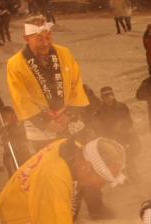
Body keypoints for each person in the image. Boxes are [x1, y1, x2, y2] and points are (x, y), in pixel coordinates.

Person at [6, 15, 90, 149]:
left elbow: (76, 84)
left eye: (48, 38)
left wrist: (69, 113)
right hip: (41, 129)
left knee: (80, 162)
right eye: (39, 39)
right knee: (51, 166)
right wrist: (44, 121)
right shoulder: (15, 64)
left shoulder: (64, 53)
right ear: (26, 39)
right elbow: (20, 98)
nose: (45, 44)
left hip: (70, 120)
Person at [92, 87, 141, 181]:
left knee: (128, 156)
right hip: (112, 138)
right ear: (102, 98)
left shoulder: (122, 106)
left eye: (110, 95)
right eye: (105, 96)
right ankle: (125, 178)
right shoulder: (99, 111)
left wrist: (126, 128)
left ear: (113, 95)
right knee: (117, 159)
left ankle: (133, 177)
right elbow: (98, 127)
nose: (108, 98)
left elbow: (129, 120)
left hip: (125, 135)